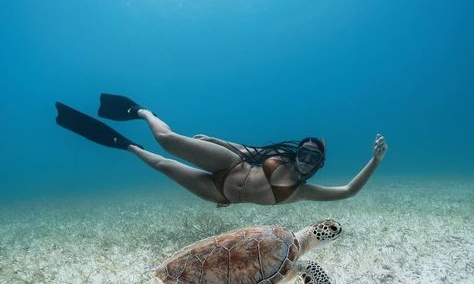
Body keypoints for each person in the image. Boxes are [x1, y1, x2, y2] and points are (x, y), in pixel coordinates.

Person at [56, 94, 388, 206]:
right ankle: (144, 112)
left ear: (319, 164)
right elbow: (248, 151)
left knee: (158, 163)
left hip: (220, 193)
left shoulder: (302, 193)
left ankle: (126, 145)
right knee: (168, 142)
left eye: (312, 158)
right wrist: (214, 139)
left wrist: (374, 161)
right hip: (232, 163)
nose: (304, 160)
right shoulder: (279, 159)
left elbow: (346, 191)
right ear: (296, 152)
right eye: (303, 153)